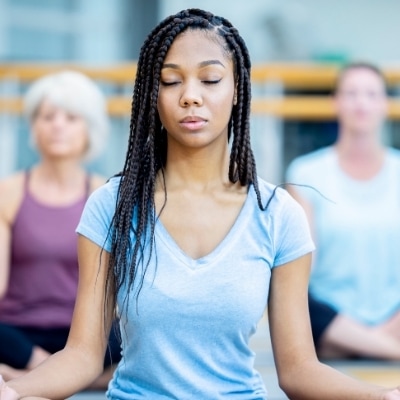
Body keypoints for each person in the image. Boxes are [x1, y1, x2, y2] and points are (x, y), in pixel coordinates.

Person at [1, 10, 399, 400]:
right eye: (171, 81)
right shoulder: (111, 206)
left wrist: (381, 396)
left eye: (210, 79)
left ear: (237, 89)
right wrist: (15, 392)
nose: (191, 96)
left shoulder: (277, 214)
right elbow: (83, 356)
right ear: (152, 95)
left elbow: (299, 372)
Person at [0, 71, 121, 389]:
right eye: (47, 116)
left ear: (89, 129)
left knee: (139, 330)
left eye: (70, 117)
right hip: (18, 337)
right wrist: (40, 360)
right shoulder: (8, 193)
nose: (57, 125)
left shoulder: (107, 196)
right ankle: (63, 375)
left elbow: (116, 294)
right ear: (34, 126)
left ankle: (29, 379)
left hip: (86, 335)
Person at [286, 62, 400, 361]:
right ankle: (388, 350)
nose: (361, 103)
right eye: (351, 93)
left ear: (385, 104)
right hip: (331, 318)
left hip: (392, 318)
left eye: (371, 94)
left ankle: (362, 346)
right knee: (289, 295)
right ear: (334, 102)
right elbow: (301, 268)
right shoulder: (306, 172)